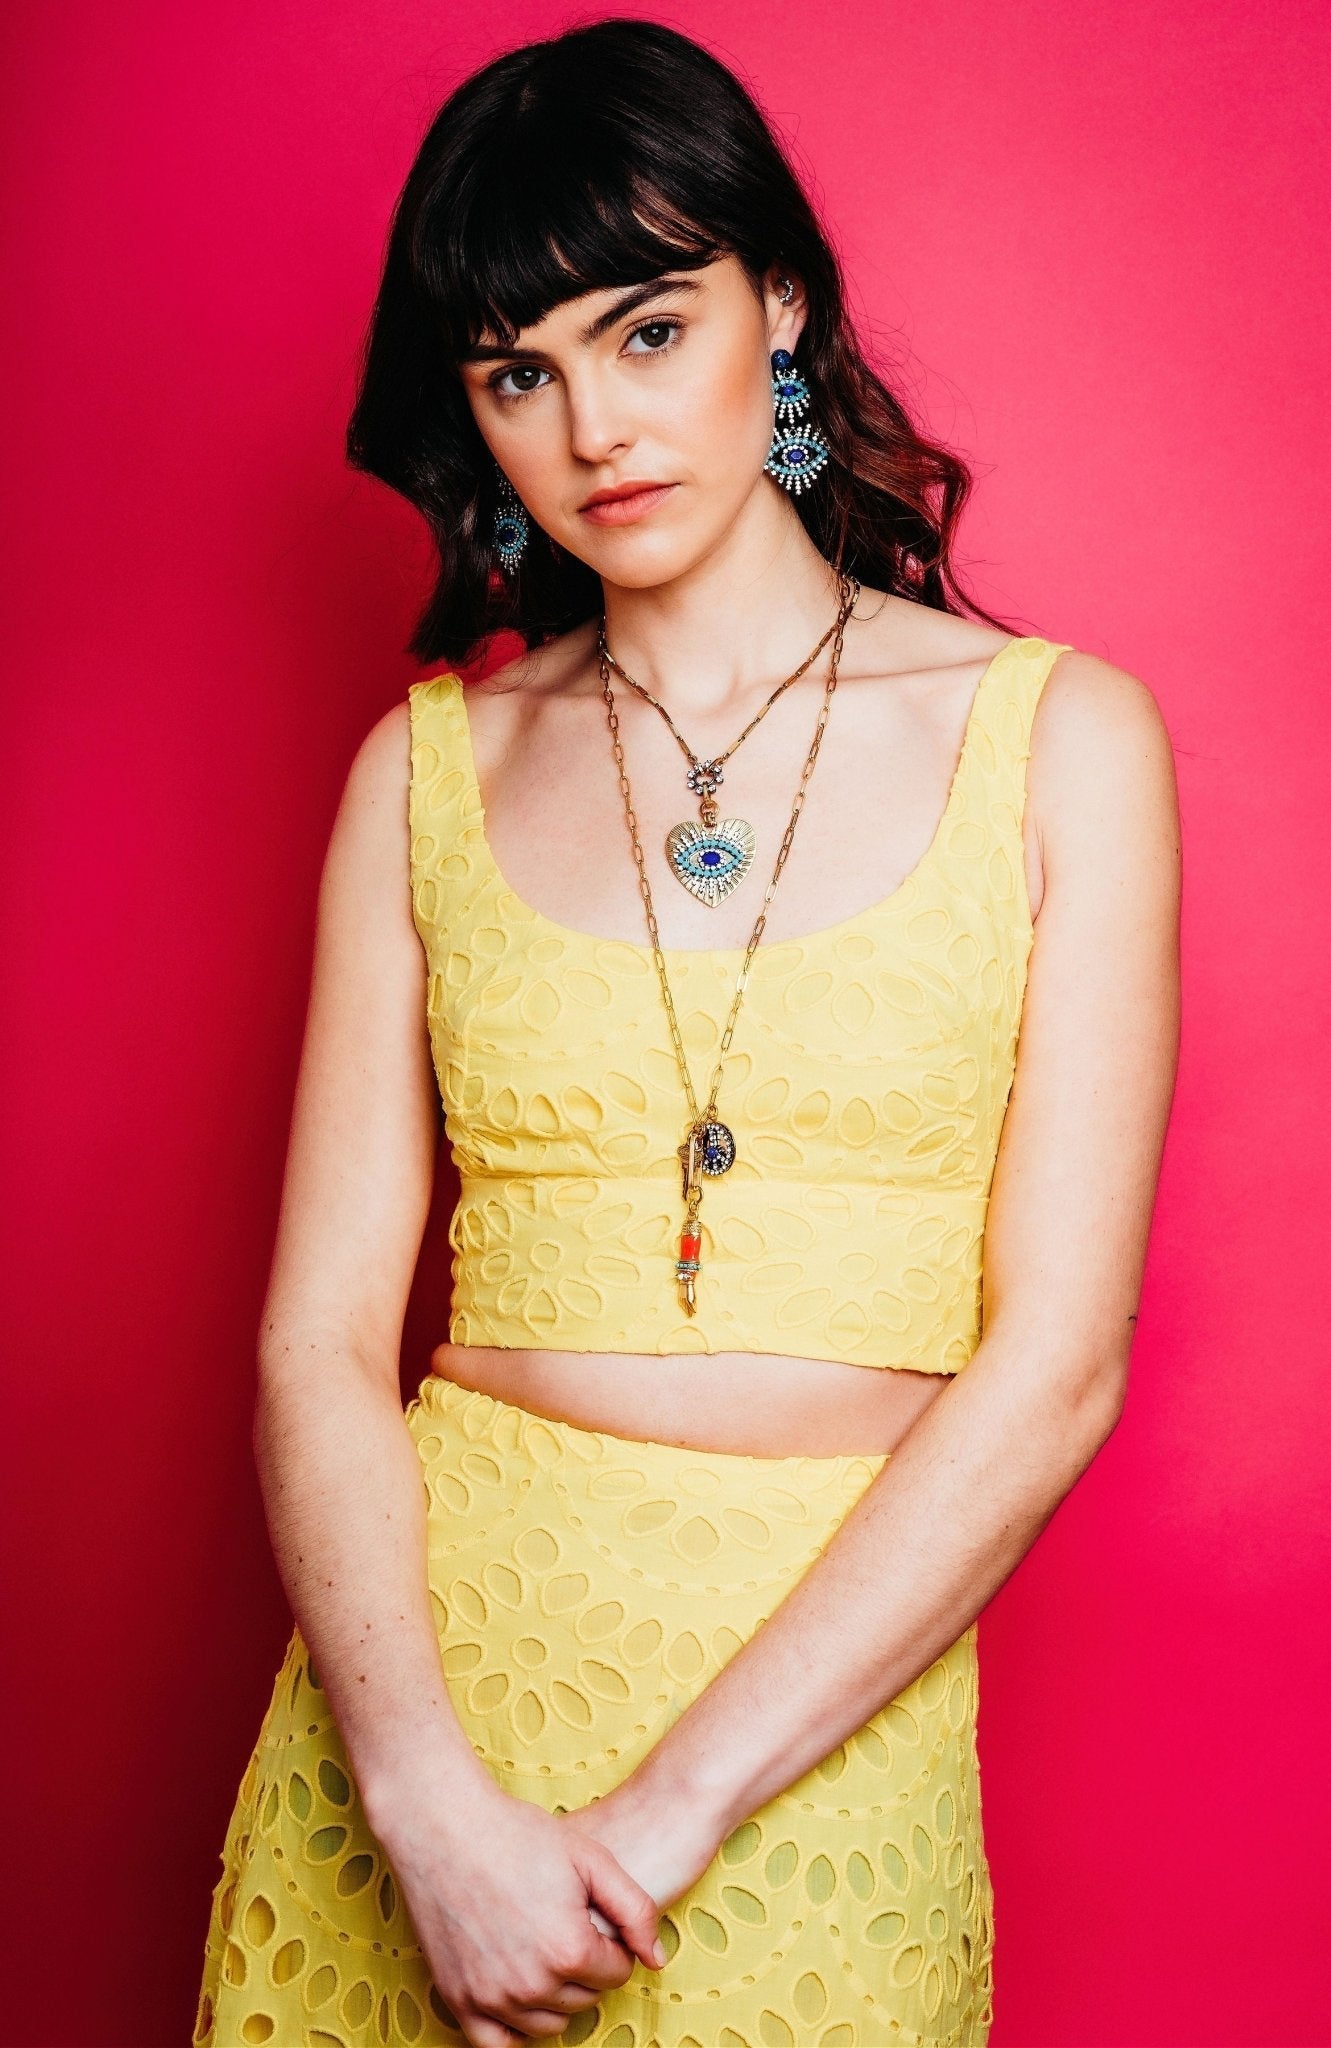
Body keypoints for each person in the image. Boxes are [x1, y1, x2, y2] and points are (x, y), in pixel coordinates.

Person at [194, 18, 1181, 2048]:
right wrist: (423, 1809)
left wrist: (662, 1820)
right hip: (429, 1723)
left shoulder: (1058, 742)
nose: (594, 431)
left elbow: (1057, 1363)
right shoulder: (425, 772)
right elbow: (316, 1344)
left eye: (648, 332)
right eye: (518, 375)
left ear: (780, 304)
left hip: (814, 1734)